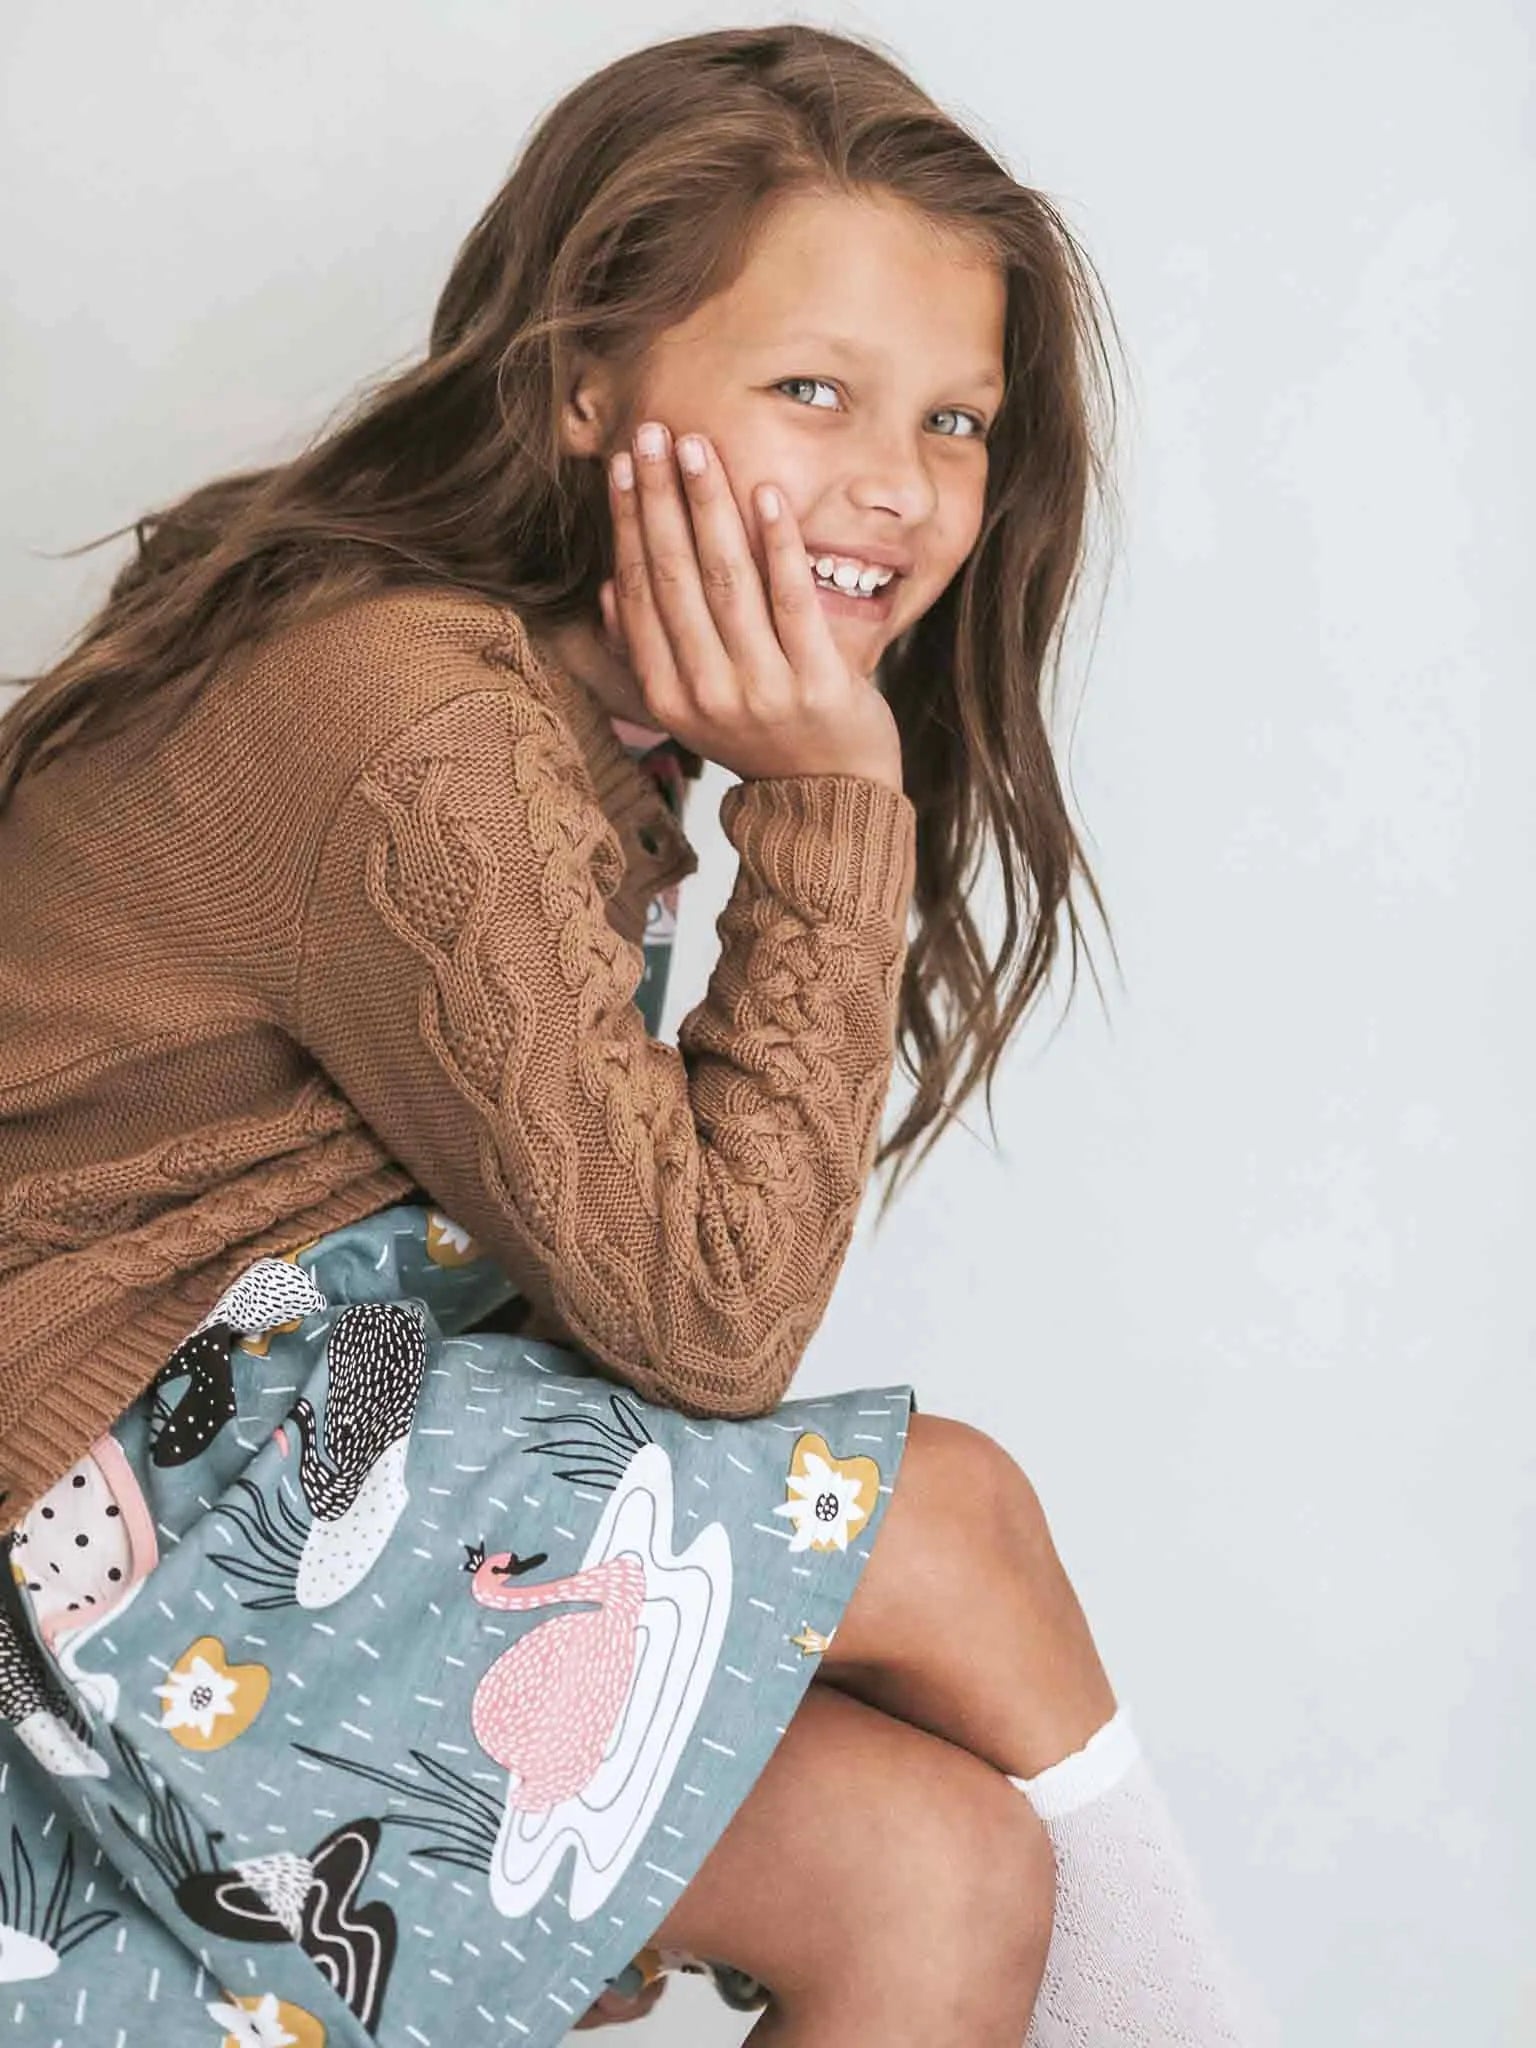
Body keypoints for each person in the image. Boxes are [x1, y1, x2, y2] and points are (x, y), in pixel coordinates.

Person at [0, 22, 1277, 2048]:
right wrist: (836, 799)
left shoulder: (576, 728)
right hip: (75, 1532)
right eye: (812, 390)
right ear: (584, 382)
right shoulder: (413, 712)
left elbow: (544, 1288)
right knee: (947, 1518)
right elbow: (700, 1318)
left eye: (958, 420)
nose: (900, 487)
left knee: (930, 1877)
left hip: (255, 1472)